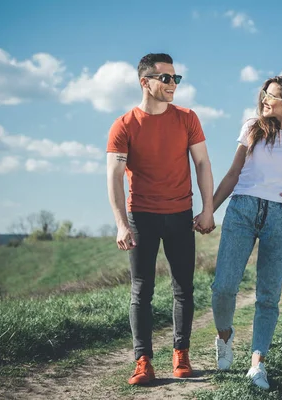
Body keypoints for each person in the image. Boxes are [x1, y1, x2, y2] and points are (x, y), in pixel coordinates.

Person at [106, 53, 215, 385]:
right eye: (165, 78)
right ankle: (143, 361)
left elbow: (202, 164)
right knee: (142, 289)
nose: (173, 84)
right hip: (142, 216)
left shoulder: (187, 118)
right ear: (145, 82)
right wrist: (121, 223)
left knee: (184, 288)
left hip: (180, 215)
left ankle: (181, 354)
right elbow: (113, 175)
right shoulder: (124, 125)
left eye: (175, 78)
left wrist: (208, 208)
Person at [205, 75, 282, 390]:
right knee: (223, 287)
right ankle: (224, 337)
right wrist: (208, 210)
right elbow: (232, 174)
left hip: (280, 216)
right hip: (241, 210)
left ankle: (257, 365)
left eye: (272, 96)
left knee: (268, 297)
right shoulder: (252, 127)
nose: (265, 99)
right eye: (265, 93)